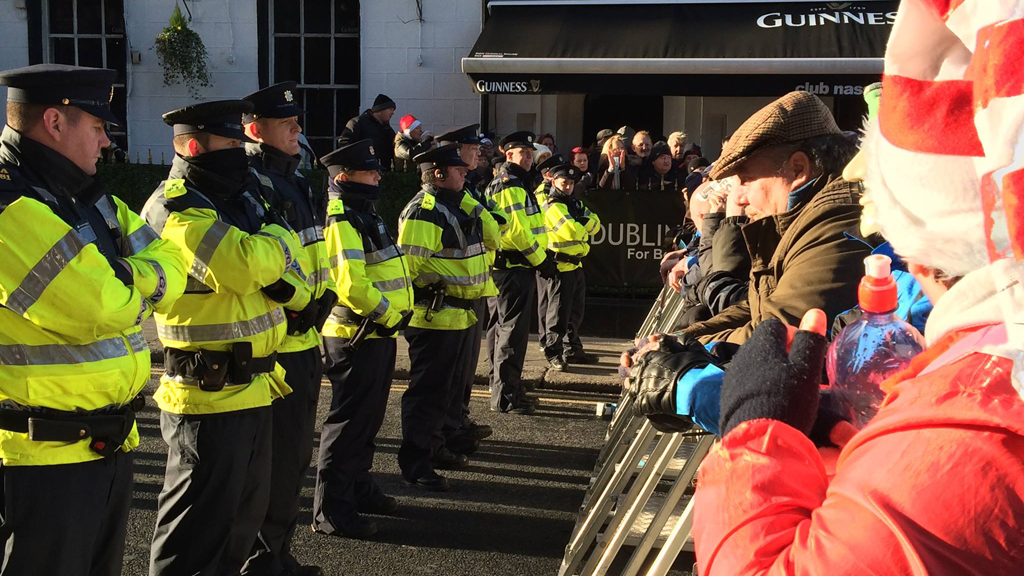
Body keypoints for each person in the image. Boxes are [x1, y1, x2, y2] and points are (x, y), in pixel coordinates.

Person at [686, 2, 1024, 570]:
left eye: (746, 178)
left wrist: (756, 434)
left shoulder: (980, 413)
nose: (736, 195)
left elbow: (776, 315)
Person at [0, 63, 187, 576]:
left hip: (103, 446)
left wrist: (125, 277)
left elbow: (173, 260)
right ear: (56, 123)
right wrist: (140, 281)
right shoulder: (8, 202)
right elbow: (98, 308)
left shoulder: (85, 194)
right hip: (39, 463)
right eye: (99, 126)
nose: (108, 142)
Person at [143, 99, 313, 576]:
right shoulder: (174, 204)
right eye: (231, 142)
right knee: (195, 536)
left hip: (253, 387)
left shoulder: (238, 197)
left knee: (241, 525)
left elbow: (284, 258)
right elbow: (240, 267)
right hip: (205, 395)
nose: (242, 150)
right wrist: (272, 249)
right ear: (195, 146)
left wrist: (267, 254)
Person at [241, 81, 337, 576]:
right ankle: (261, 560)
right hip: (279, 343)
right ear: (255, 129)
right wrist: (304, 301)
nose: (299, 129)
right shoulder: (254, 182)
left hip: (303, 338)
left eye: (298, 122)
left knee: (295, 457)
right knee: (273, 463)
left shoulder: (292, 178)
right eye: (288, 123)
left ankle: (276, 554)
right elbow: (264, 266)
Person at [312, 139, 413, 539]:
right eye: (369, 172)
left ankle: (358, 487)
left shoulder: (364, 214)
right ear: (343, 177)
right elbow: (351, 284)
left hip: (375, 332)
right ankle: (331, 511)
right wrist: (390, 314)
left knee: (367, 421)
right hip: (356, 334)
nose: (377, 177)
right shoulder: (342, 220)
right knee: (348, 423)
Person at [396, 143, 496, 488]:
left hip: (456, 316)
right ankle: (416, 463)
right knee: (427, 395)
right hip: (434, 317)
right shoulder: (425, 211)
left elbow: (496, 235)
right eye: (459, 170)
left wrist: (468, 197)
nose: (466, 174)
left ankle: (435, 448)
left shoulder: (453, 205)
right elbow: (408, 267)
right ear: (438, 174)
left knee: (446, 392)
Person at [433, 124, 503, 454]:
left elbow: (496, 228)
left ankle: (457, 422)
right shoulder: (442, 200)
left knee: (463, 374)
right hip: (445, 300)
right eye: (469, 149)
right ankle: (445, 432)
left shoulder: (469, 191)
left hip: (472, 292)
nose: (477, 153)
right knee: (444, 379)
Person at [485, 131, 558, 414]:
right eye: (522, 154)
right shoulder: (511, 185)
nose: (528, 158)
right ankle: (506, 395)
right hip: (515, 267)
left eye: (530, 154)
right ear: (508, 155)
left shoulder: (517, 183)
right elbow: (516, 232)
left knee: (499, 329)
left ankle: (501, 387)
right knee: (511, 332)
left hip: (508, 268)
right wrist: (541, 261)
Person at [538, 163, 602, 370]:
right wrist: (584, 224)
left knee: (575, 313)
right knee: (557, 315)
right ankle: (553, 352)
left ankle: (572, 350)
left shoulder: (573, 203)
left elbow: (597, 224)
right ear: (554, 181)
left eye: (571, 183)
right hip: (559, 266)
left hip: (576, 265)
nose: (568, 187)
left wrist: (582, 223)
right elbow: (571, 231)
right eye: (564, 182)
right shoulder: (553, 204)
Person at [338, 93, 397, 170]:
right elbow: (344, 143)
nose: (392, 113)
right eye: (390, 109)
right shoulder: (358, 123)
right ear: (379, 110)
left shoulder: (388, 129)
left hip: (382, 171)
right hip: (361, 170)